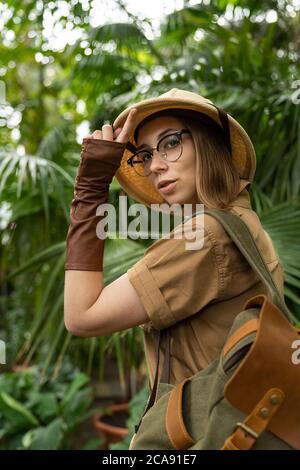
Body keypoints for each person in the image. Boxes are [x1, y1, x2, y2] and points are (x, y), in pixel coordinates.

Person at [64, 88, 285, 391]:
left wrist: (90, 187)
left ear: (209, 144)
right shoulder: (244, 221)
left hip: (198, 436)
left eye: (170, 143)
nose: (154, 166)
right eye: (144, 155)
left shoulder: (206, 237)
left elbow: (81, 316)